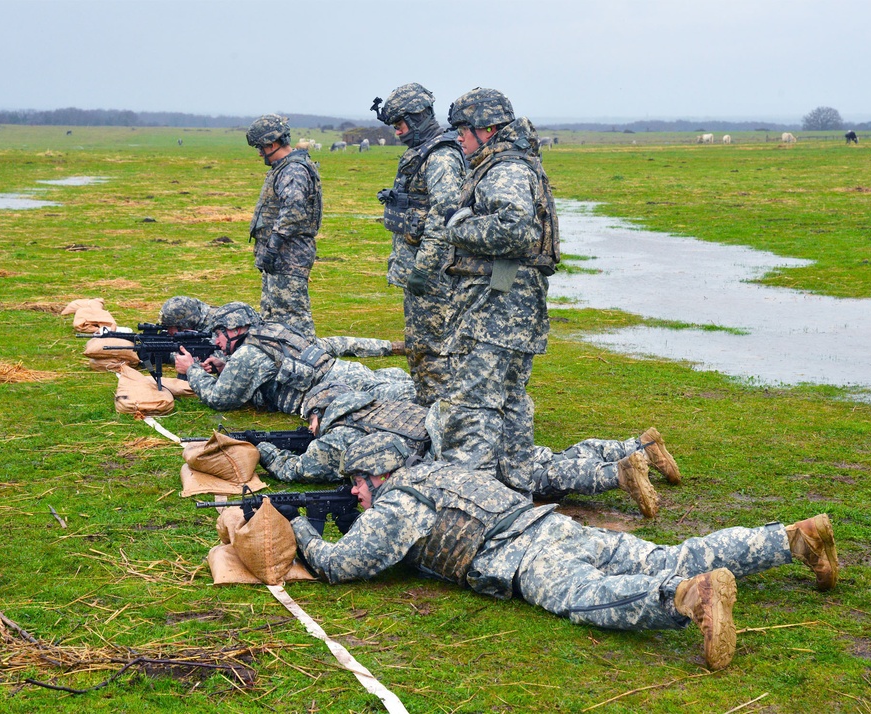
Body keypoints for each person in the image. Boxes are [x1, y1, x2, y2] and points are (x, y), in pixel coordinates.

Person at [288, 433, 839, 671]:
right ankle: (791, 537)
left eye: (357, 483)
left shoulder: (395, 505)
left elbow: (343, 566)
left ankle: (689, 600)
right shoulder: (436, 469)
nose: (355, 494)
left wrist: (304, 530)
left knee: (591, 599)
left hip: (525, 559)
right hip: (555, 526)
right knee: (666, 553)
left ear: (375, 474)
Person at [257, 385, 679, 518]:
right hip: (466, 428)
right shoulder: (376, 400)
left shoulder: (342, 439)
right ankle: (636, 445)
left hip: (462, 453)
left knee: (537, 476)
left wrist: (265, 452)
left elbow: (300, 470)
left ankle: (619, 473)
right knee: (544, 458)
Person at [440, 88, 560, 491]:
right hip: (509, 307)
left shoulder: (504, 169)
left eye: (464, 129)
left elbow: (515, 230)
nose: (458, 137)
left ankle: (467, 503)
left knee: (473, 407)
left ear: (486, 129)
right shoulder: (510, 163)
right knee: (511, 406)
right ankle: (512, 495)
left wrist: (458, 226)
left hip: (495, 309)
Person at [371, 83, 466, 406]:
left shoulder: (440, 157)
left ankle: (442, 414)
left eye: (400, 125)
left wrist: (423, 270)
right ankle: (429, 407)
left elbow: (444, 217)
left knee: (433, 348)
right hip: (420, 271)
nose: (397, 132)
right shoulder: (425, 153)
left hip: (433, 276)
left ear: (419, 118)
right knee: (420, 346)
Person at [173, 303, 415, 414]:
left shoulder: (248, 353)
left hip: (339, 389)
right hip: (346, 372)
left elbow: (220, 400)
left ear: (235, 329)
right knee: (400, 383)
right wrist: (226, 366)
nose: (217, 342)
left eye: (219, 333)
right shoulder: (271, 331)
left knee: (414, 397)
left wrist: (192, 369)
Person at [246, 114, 321, 338]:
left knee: (295, 322)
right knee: (272, 319)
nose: (259, 152)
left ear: (272, 143)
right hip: (278, 257)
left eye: (261, 147)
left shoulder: (293, 170)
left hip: (288, 256)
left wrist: (273, 245)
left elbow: (294, 209)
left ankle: (312, 366)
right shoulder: (284, 168)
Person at [158, 296, 405, 358]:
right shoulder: (208, 323)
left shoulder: (223, 320)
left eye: (171, 328)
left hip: (287, 346)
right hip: (283, 342)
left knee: (338, 345)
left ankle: (391, 347)